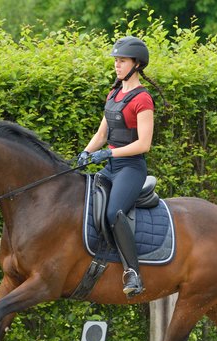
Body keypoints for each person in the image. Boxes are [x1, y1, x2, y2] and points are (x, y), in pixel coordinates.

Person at [78, 36, 164, 298]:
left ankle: (132, 272)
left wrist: (107, 154)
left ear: (136, 64)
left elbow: (144, 144)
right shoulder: (114, 93)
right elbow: (102, 133)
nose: (117, 65)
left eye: (122, 61)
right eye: (116, 60)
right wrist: (86, 152)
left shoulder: (143, 99)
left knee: (115, 212)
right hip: (111, 166)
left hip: (130, 168)